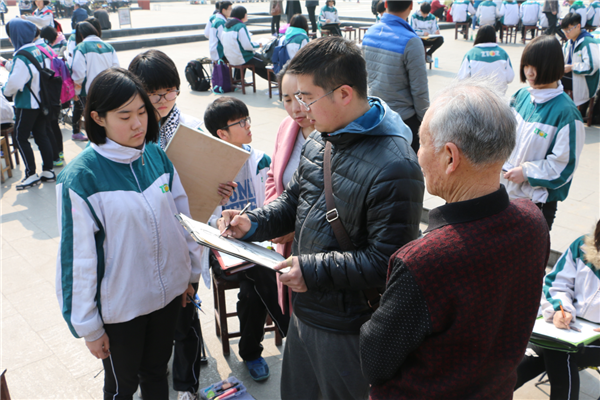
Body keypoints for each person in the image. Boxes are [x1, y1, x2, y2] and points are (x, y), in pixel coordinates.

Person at [217, 36, 424, 400]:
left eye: (307, 97)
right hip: (305, 313)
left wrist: (311, 270)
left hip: (347, 328)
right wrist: (254, 223)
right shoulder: (320, 139)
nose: (299, 109)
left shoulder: (396, 166)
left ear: (344, 94)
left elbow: (387, 263)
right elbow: (293, 202)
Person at [360, 77, 551, 400]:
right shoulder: (533, 222)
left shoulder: (426, 260)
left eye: (421, 142)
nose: (418, 155)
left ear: (450, 157)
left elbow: (374, 361)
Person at [55, 67, 203, 400]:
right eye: (125, 116)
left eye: (141, 113)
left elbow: (183, 218)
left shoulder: (154, 155)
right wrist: (89, 326)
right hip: (121, 310)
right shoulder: (81, 178)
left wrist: (190, 276)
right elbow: (77, 259)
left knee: (155, 374)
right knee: (122, 387)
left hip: (166, 299)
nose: (138, 124)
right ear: (98, 117)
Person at [128, 49, 211, 400]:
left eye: (170, 91)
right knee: (150, 321)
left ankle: (185, 385)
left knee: (184, 319)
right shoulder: (131, 131)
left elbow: (206, 185)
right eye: (153, 94)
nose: (162, 101)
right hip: (143, 242)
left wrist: (218, 187)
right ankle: (156, 372)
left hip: (184, 236)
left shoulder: (191, 128)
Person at [204, 97, 289, 383]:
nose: (248, 126)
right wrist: (217, 208)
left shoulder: (261, 159)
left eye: (247, 119)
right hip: (222, 248)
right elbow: (198, 217)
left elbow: (272, 205)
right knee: (262, 275)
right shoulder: (209, 167)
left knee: (255, 286)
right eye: (240, 123)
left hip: (259, 242)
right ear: (222, 134)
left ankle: (252, 349)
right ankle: (284, 331)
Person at [501, 35, 585, 230]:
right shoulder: (521, 96)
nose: (529, 72)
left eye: (535, 66)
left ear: (552, 67)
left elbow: (564, 167)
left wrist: (526, 172)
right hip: (505, 194)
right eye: (526, 65)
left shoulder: (566, 114)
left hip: (536, 204)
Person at [515, 220, 600, 400]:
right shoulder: (583, 246)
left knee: (560, 352)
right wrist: (561, 309)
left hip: (594, 338)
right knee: (512, 371)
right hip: (565, 329)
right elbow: (557, 283)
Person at [265, 63, 316, 316]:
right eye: (286, 99)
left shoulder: (332, 132)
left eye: (301, 98)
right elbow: (273, 177)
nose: (295, 108)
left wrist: (295, 228)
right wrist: (274, 218)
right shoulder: (287, 128)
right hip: (286, 245)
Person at [363, 0, 429, 153]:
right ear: (411, 6)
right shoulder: (411, 41)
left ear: (385, 4)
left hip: (375, 115)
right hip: (404, 121)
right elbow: (420, 91)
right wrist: (425, 122)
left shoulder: (370, 33)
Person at [2, 19, 55, 190]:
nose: (10, 39)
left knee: (20, 137)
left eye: (11, 35)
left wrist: (4, 90)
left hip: (27, 104)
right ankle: (48, 170)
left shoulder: (21, 56)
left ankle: (30, 174)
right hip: (42, 101)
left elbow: (15, 84)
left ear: (17, 36)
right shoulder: (37, 50)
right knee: (41, 135)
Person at [71, 21, 119, 142]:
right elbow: (116, 68)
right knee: (106, 117)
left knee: (92, 120)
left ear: (81, 35)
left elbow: (78, 74)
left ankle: (96, 144)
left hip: (89, 92)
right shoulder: (108, 47)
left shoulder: (81, 48)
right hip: (108, 89)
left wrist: (76, 91)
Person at [457, 24, 514, 95]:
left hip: (477, 98)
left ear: (478, 37)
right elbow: (510, 78)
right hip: (499, 98)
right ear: (494, 37)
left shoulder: (471, 54)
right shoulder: (503, 53)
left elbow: (462, 78)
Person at [560, 12, 600, 107]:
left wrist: (572, 67)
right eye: (564, 30)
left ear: (578, 26)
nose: (566, 33)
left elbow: (592, 66)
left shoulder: (588, 42)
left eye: (568, 30)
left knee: (552, 79)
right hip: (572, 77)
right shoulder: (569, 42)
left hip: (585, 81)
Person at [222, 6, 270, 80]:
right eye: (246, 14)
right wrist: (258, 44)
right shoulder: (240, 26)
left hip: (231, 58)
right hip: (242, 57)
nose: (247, 15)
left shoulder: (226, 26)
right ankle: (276, 80)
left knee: (257, 63)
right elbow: (247, 46)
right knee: (266, 62)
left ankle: (238, 80)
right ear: (242, 15)